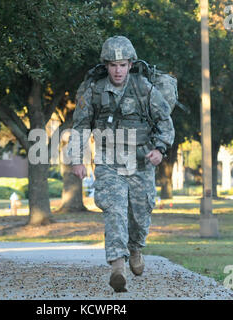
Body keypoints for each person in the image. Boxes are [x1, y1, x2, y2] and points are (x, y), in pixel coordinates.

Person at [70, 36, 175, 292]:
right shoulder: (94, 90)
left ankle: (135, 248)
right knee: (114, 210)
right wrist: (77, 159)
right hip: (108, 160)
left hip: (141, 160)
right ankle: (118, 266)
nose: (118, 70)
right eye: (113, 65)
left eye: (123, 65)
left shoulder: (144, 88)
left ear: (130, 64)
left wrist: (160, 149)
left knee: (140, 216)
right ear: (106, 65)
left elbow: (165, 122)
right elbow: (81, 126)